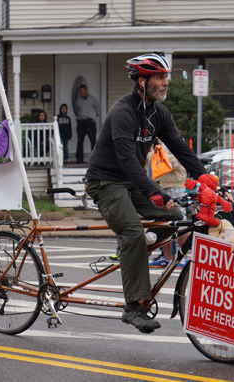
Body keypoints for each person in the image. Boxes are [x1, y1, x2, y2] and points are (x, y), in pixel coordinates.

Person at [84, 53, 216, 334]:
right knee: (132, 232)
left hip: (132, 183)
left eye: (166, 77)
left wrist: (205, 177)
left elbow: (181, 149)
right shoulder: (123, 112)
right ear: (142, 81)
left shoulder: (158, 113)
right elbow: (126, 160)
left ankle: (139, 253)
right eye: (159, 77)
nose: (165, 82)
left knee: (176, 216)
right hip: (105, 182)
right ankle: (134, 307)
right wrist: (153, 190)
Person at [145, 141, 190, 269]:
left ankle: (184, 257)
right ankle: (167, 257)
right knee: (164, 222)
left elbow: (176, 160)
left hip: (175, 184)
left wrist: (159, 155)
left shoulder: (172, 141)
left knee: (180, 221)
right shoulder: (152, 140)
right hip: (158, 185)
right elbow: (148, 161)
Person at [73, 84, 100, 163]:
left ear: (86, 90)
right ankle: (79, 159)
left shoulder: (93, 99)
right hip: (81, 123)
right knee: (80, 141)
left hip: (90, 123)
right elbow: (76, 110)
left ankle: (95, 160)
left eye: (83, 90)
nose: (82, 92)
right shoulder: (78, 101)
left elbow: (97, 111)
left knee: (93, 141)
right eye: (80, 91)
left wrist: (92, 117)